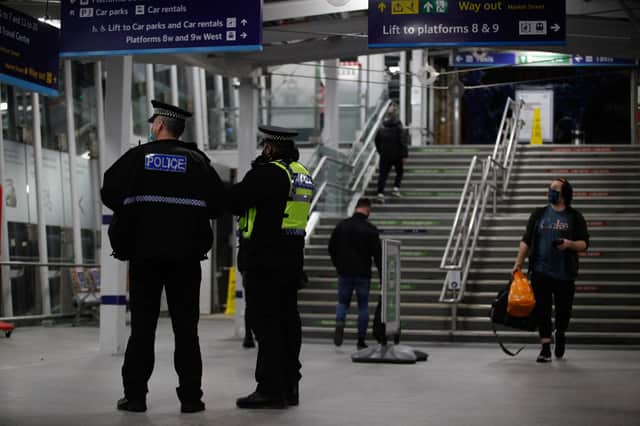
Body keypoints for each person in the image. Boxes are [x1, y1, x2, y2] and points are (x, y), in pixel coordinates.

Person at [101, 100, 225, 413]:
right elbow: (217, 202)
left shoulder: (137, 158)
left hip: (145, 256)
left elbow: (109, 190)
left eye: (152, 121)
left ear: (158, 126)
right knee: (187, 330)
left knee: (142, 329)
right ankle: (191, 399)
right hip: (186, 259)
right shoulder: (198, 161)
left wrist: (136, 213)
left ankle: (135, 397)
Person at [229, 125, 313, 409]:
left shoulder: (268, 173)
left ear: (269, 148)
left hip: (265, 262)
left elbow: (233, 200)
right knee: (289, 323)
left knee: (265, 325)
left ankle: (270, 389)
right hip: (291, 261)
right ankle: (290, 387)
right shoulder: (301, 173)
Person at [512, 177, 589, 363]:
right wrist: (518, 264)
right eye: (550, 188)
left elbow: (584, 244)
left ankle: (560, 332)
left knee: (564, 311)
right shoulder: (538, 214)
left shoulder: (574, 217)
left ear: (564, 194)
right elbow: (526, 240)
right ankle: (545, 347)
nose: (551, 192)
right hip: (540, 271)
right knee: (542, 310)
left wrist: (569, 244)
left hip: (565, 273)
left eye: (555, 189)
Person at [328, 197, 382, 350]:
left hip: (344, 272)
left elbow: (331, 247)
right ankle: (361, 340)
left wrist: (338, 265)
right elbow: (377, 254)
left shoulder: (342, 226)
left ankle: (340, 321)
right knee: (363, 306)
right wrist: (382, 275)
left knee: (342, 302)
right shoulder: (370, 229)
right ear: (367, 209)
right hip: (363, 273)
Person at [375, 105, 408, 200]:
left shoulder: (382, 127)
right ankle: (395, 189)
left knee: (383, 174)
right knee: (400, 172)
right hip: (397, 155)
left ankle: (380, 194)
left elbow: (377, 141)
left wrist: (380, 151)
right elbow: (403, 141)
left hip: (384, 155)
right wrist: (404, 155)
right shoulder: (399, 127)